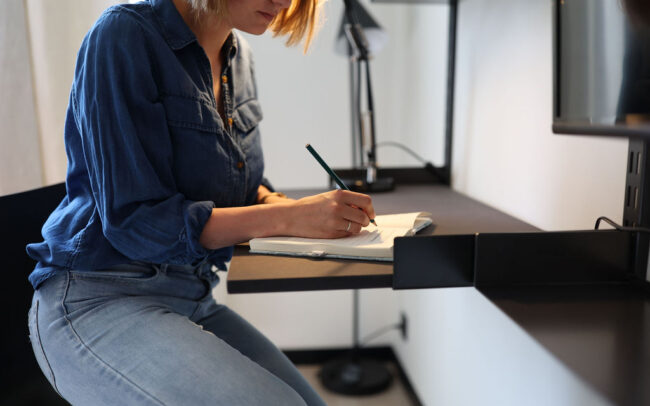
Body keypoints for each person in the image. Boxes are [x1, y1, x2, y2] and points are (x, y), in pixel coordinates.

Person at [26, 0, 376, 404]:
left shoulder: (238, 56)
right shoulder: (123, 35)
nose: (284, 2)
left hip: (191, 296)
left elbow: (235, 184)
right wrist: (288, 216)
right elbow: (134, 222)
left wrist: (281, 204)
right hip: (97, 299)